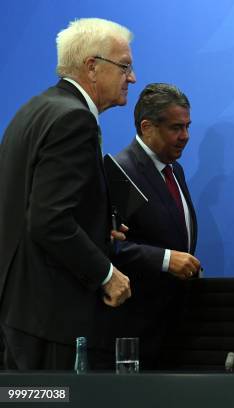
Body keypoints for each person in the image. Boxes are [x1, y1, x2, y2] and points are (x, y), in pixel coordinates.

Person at [0, 18, 134, 370]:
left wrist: (95, 227)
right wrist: (106, 273)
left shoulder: (33, 110)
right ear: (92, 66)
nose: (131, 78)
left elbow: (35, 206)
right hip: (52, 317)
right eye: (125, 66)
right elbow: (48, 220)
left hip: (21, 311)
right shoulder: (75, 119)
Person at [92, 83, 201, 369]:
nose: (185, 136)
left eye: (188, 126)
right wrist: (165, 260)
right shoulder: (119, 170)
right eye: (176, 128)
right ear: (147, 127)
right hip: (134, 326)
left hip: (175, 325)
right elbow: (106, 244)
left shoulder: (174, 169)